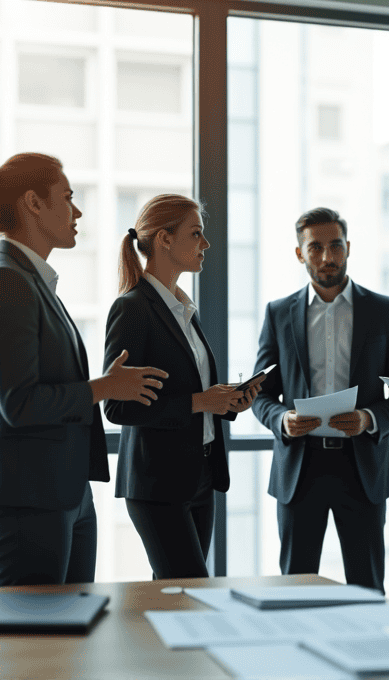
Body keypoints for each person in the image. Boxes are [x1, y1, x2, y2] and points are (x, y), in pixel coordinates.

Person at [0, 152, 168, 587]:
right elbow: (20, 403)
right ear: (34, 204)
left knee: (68, 642)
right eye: (68, 198)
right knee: (34, 645)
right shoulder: (6, 282)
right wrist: (105, 388)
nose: (77, 211)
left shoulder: (31, 282)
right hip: (22, 496)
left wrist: (103, 385)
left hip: (61, 491)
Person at [252, 207, 389, 592]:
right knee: (295, 586)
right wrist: (281, 420)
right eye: (315, 248)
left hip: (362, 467)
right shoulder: (278, 314)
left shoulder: (383, 311)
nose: (327, 257)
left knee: (368, 587)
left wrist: (369, 419)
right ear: (299, 254)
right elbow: (260, 393)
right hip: (300, 466)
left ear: (348, 248)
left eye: (335, 246)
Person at [103, 194, 263, 579]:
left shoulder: (184, 310)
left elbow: (190, 396)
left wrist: (224, 402)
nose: (205, 244)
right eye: (196, 234)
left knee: (177, 594)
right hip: (158, 485)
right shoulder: (132, 308)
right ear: (164, 239)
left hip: (200, 475)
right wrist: (198, 401)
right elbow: (117, 407)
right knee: (189, 589)